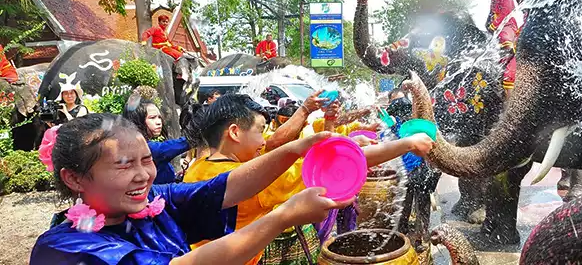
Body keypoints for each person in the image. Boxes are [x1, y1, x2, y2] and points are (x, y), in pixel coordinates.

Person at [30, 113, 348, 264]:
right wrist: (282, 217)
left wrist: (296, 149)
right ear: (74, 178)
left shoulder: (151, 202)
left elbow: (225, 187)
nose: (143, 175)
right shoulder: (63, 248)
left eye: (147, 160)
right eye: (125, 164)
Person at [183, 93, 434, 265]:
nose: (264, 141)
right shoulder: (252, 182)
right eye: (260, 130)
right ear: (235, 132)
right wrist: (407, 143)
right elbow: (339, 164)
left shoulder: (196, 169)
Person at [123, 98, 191, 184]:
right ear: (137, 120)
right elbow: (171, 147)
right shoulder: (144, 148)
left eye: (159, 117)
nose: (159, 122)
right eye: (152, 118)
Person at [483, 0, 518, 97]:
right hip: (499, 31)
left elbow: (506, 13)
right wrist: (488, 24)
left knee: (505, 43)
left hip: (507, 27)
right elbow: (492, 15)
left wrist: (493, 26)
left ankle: (512, 55)